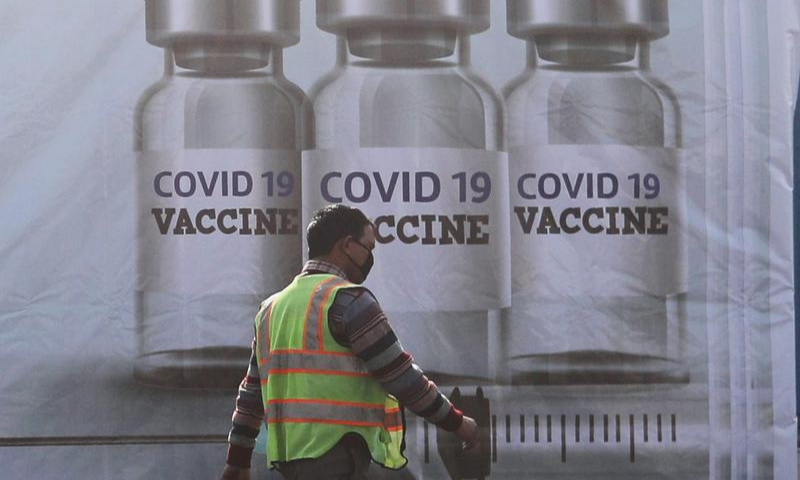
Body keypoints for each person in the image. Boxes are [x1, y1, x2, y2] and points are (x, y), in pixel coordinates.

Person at [219, 204, 480, 480]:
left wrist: (238, 461)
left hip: (289, 459)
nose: (370, 257)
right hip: (337, 455)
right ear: (346, 245)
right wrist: (459, 423)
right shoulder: (349, 302)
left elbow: (250, 396)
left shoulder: (270, 309)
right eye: (368, 247)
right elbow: (401, 377)